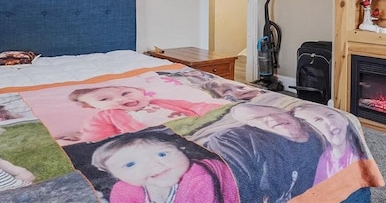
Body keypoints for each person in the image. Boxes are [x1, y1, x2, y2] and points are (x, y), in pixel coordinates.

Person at [205, 103, 323, 203]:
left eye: (273, 113)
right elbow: (237, 186)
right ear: (256, 127)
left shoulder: (320, 133)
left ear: (289, 113)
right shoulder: (236, 141)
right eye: (258, 119)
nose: (273, 119)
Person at [91, 132, 239, 203]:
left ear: (182, 149)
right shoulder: (123, 189)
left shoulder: (199, 179)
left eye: (162, 154)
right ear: (113, 174)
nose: (153, 165)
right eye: (130, 164)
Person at [67, 85, 228, 142]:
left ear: (141, 91)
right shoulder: (103, 117)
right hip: (159, 140)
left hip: (197, 126)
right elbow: (97, 139)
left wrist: (224, 111)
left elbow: (196, 106)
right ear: (93, 107)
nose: (120, 99)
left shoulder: (159, 101)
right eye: (104, 99)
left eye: (125, 93)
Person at [291, 103, 367, 185]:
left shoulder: (359, 152)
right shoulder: (323, 162)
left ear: (345, 120)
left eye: (331, 115)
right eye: (318, 120)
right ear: (314, 131)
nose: (329, 122)